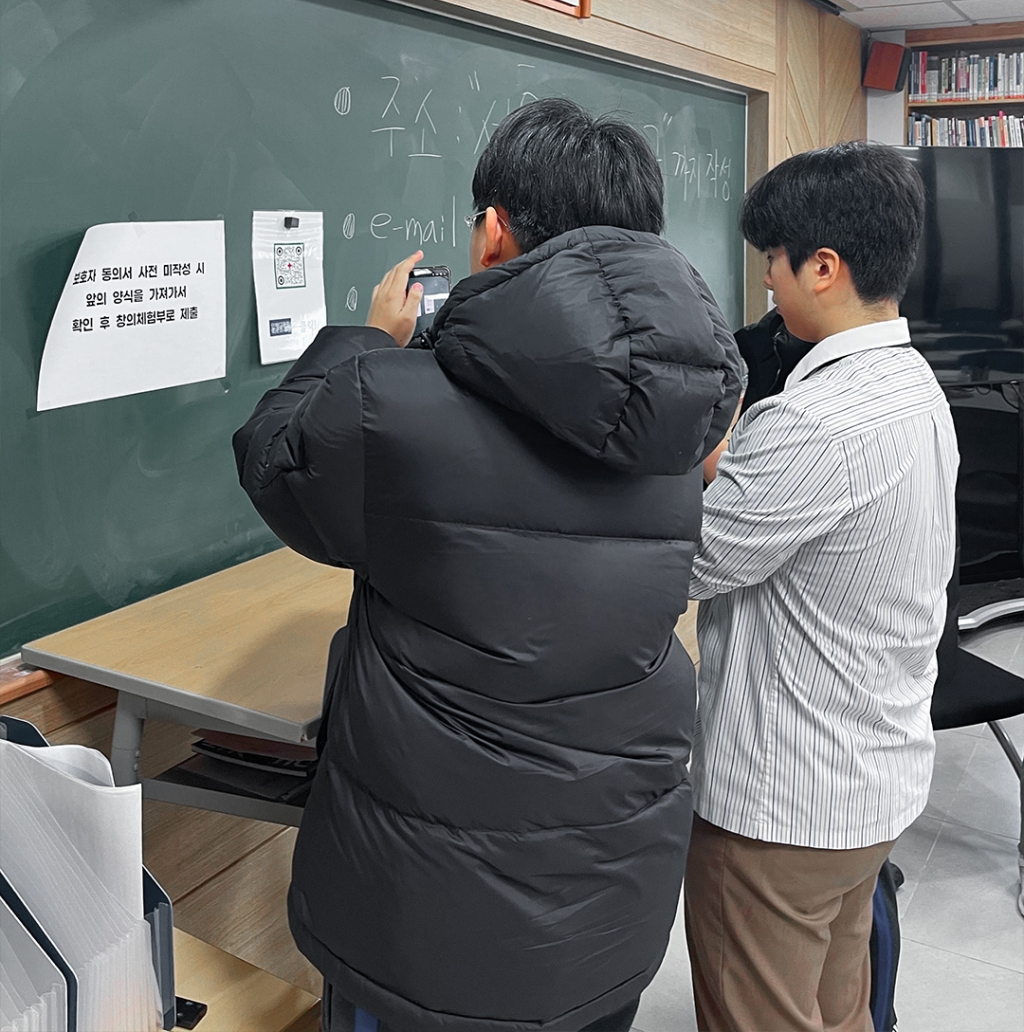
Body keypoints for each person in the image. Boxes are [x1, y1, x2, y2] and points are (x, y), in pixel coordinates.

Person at [233, 98, 742, 1031]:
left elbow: (274, 462)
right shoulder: (678, 429)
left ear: (496, 233)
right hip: (610, 901)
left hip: (427, 929)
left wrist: (363, 343)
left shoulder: (393, 402)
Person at [684, 141, 959, 1032]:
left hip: (783, 808)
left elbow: (691, 561)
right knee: (838, 1010)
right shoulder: (915, 388)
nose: (767, 281)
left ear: (825, 267)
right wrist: (740, 471)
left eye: (774, 261)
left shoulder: (810, 421)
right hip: (868, 785)